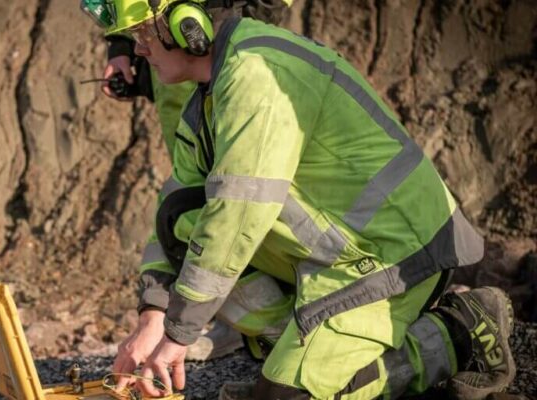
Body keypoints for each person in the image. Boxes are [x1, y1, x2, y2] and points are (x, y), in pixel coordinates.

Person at [81, 1, 517, 399]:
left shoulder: (256, 74)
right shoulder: (209, 100)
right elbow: (174, 206)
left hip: (391, 255)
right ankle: (294, 358)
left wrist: (178, 333)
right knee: (183, 217)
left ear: (187, 26)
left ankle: (457, 332)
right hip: (336, 254)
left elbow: (236, 218)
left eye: (142, 33)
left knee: (287, 398)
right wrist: (153, 315)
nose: (137, 50)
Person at [91, 0, 296, 363]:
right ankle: (240, 324)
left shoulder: (253, 79)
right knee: (189, 201)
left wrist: (249, 29)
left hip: (213, 37)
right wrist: (124, 45)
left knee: (240, 198)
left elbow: (238, 209)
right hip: (175, 48)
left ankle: (289, 329)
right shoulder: (152, 46)